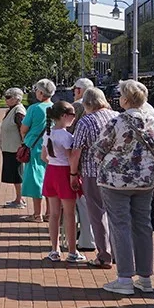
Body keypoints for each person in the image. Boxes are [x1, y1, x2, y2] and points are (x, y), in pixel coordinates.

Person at [93, 79, 154, 295]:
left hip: (117, 181)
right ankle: (145, 277)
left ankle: (124, 279)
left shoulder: (117, 121)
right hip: (145, 180)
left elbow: (99, 148)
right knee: (143, 226)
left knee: (120, 225)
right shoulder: (151, 120)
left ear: (126, 99)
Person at [70, 87, 118, 269]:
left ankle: (104, 256)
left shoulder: (86, 121)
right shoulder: (116, 116)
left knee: (97, 214)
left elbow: (76, 151)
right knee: (116, 214)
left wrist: (73, 174)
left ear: (87, 104)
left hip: (92, 172)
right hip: (116, 172)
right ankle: (118, 253)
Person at [42, 101, 84, 263]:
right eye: (72, 115)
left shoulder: (48, 133)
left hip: (51, 172)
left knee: (53, 214)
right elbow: (71, 157)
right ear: (63, 116)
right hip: (64, 173)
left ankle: (54, 249)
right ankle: (72, 251)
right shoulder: (67, 136)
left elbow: (43, 157)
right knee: (69, 214)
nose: (74, 118)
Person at [20, 79, 56, 222]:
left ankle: (37, 214)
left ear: (41, 92)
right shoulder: (56, 108)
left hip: (35, 148)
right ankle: (49, 213)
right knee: (49, 180)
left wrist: (25, 139)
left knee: (36, 180)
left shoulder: (34, 108)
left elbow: (24, 128)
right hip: (51, 148)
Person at [70, 77, 96, 249]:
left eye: (75, 89)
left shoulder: (78, 106)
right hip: (96, 163)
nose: (73, 92)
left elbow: (71, 130)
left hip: (83, 162)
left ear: (80, 90)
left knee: (83, 202)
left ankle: (86, 237)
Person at [0, 88, 27, 208]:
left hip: (15, 148)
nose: (6, 99)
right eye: (6, 96)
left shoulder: (18, 111)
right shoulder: (12, 110)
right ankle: (18, 198)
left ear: (17, 98)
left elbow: (23, 129)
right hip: (10, 147)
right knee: (14, 174)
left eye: (9, 97)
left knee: (17, 174)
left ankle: (19, 200)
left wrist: (23, 144)